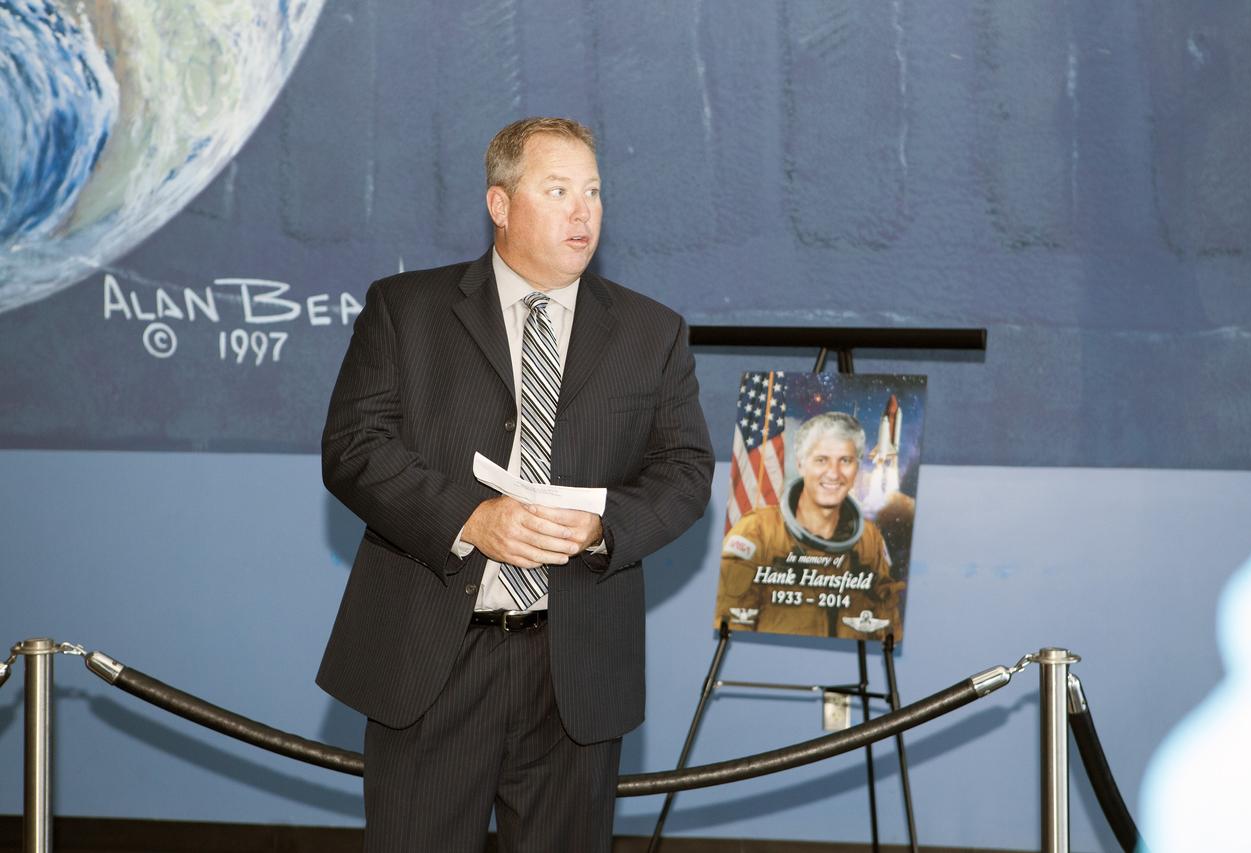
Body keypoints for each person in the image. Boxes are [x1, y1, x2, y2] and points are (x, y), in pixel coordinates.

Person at [317, 117, 713, 853]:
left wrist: (603, 528)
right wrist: (470, 519)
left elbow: (685, 472)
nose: (583, 210)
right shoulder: (406, 310)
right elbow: (354, 448)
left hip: (574, 669)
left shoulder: (651, 331)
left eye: (593, 191)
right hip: (432, 658)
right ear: (500, 204)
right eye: (558, 190)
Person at [715, 411, 904, 640]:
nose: (833, 473)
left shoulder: (869, 540)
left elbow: (885, 623)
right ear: (800, 464)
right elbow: (728, 619)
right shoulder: (757, 532)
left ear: (857, 467)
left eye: (845, 460)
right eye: (821, 460)